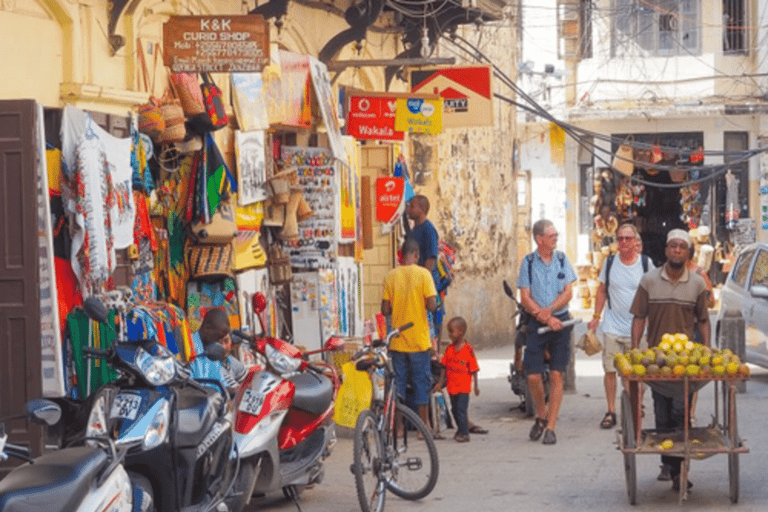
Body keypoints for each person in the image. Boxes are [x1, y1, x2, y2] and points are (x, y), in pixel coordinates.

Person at [630, 228, 710, 491]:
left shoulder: (697, 283)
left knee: (680, 414)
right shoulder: (649, 280)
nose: (676, 250)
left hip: (685, 361)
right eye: (673, 246)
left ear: (688, 253)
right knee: (662, 415)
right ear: (666, 251)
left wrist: (707, 349)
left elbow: (703, 320)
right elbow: (639, 317)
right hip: (656, 360)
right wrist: (634, 349)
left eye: (682, 247)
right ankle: (669, 463)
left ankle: (678, 472)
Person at [517, 219, 577, 445]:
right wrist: (542, 315)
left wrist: (551, 311)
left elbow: (568, 292)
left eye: (555, 234)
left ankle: (551, 426)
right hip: (537, 324)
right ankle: (541, 416)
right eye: (551, 235)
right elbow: (525, 296)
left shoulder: (561, 259)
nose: (555, 238)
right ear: (539, 239)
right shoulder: (529, 263)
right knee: (532, 375)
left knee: (556, 374)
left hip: (560, 324)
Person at [588, 223, 653, 430]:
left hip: (638, 328)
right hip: (613, 327)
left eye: (628, 238)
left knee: (638, 371)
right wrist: (596, 316)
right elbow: (602, 291)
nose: (624, 242)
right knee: (610, 370)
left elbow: (654, 293)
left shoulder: (645, 264)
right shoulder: (609, 263)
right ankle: (611, 410)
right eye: (620, 238)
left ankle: (637, 405)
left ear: (635, 242)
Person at [381, 239, 441, 438]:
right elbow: (432, 305)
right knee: (420, 384)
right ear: (415, 255)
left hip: (397, 342)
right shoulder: (424, 274)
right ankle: (423, 427)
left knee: (398, 385)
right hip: (419, 341)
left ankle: (398, 428)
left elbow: (385, 309)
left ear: (402, 254)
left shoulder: (391, 275)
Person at [406, 195, 444, 345]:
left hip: (427, 283)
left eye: (412, 207)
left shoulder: (428, 230)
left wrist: (422, 283)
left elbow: (430, 260)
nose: (409, 209)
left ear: (422, 209)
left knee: (431, 319)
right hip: (417, 281)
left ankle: (433, 352)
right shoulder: (415, 228)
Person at [435, 317, 480, 443]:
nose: (449, 335)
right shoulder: (449, 350)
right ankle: (460, 430)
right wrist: (440, 382)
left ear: (460, 331)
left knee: (461, 410)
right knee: (454, 410)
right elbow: (444, 368)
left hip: (464, 388)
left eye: (451, 331)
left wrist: (476, 386)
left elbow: (474, 369)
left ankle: (465, 434)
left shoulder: (468, 350)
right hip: (452, 387)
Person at [189, 309, 244, 394]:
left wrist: (232, 390)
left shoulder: (215, 350)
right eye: (218, 337)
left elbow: (220, 381)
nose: (219, 342)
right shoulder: (188, 348)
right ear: (207, 328)